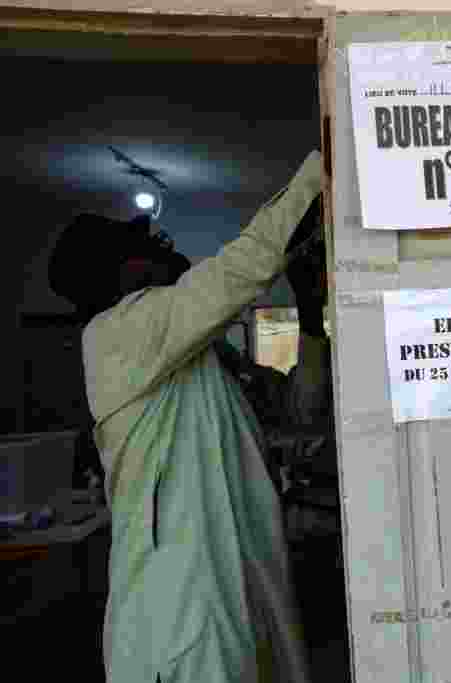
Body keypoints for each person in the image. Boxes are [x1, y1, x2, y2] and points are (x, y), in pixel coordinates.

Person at [48, 151, 327, 682]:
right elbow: (239, 271)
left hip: (231, 592)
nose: (158, 242)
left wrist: (310, 324)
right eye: (136, 245)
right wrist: (322, 167)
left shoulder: (199, 356)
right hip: (179, 611)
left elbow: (300, 411)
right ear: (115, 274)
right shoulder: (115, 334)